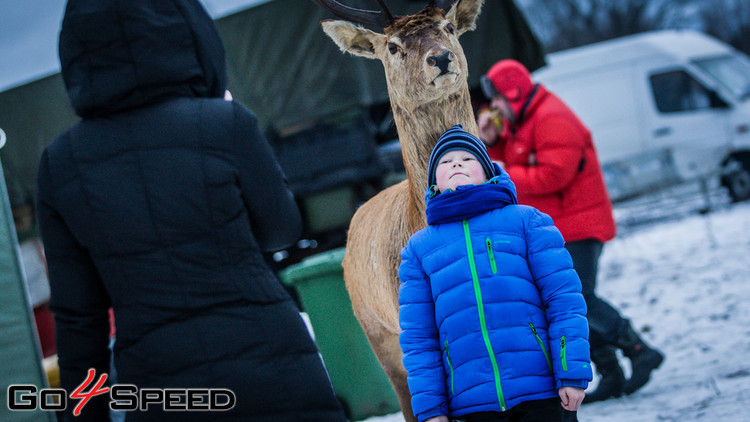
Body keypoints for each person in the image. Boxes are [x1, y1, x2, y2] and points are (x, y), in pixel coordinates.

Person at [36, 1, 346, 421]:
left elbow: (79, 320)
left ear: (76, 53)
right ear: (189, 36)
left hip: (161, 389)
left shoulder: (60, 164)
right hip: (273, 367)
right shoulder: (224, 122)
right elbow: (281, 230)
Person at [476, 59, 664, 403]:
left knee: (577, 300)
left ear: (513, 93)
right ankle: (611, 372)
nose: (493, 108)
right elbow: (516, 156)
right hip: (560, 228)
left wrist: (501, 170)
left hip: (580, 224)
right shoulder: (523, 120)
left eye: (497, 99)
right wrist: (490, 142)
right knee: (563, 305)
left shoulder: (552, 118)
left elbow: (552, 175)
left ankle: (639, 349)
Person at [398, 125, 591, 422]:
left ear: (489, 172)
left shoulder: (526, 222)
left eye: (467, 158)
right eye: (446, 162)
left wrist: (570, 372)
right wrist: (431, 410)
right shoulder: (419, 250)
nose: (457, 164)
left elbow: (564, 302)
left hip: (542, 393)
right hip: (474, 406)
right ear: (433, 182)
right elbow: (419, 338)